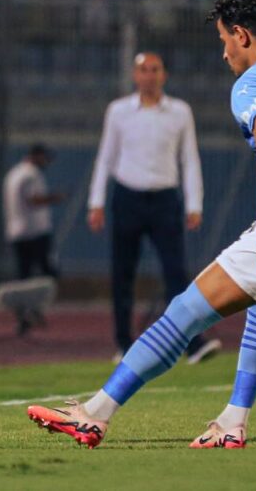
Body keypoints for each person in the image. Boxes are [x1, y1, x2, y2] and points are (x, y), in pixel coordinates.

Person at [28, 0, 256, 449]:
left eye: (224, 40)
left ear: (242, 35)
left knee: (184, 311)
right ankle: (231, 423)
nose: (224, 53)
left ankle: (94, 413)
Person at [87, 51, 220, 365]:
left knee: (176, 274)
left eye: (155, 69)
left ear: (164, 75)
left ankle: (192, 343)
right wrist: (96, 202)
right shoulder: (118, 111)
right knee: (123, 275)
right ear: (135, 76)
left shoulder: (180, 112)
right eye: (143, 70)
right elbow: (106, 157)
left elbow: (189, 158)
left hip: (164, 199)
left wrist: (194, 203)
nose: (149, 75)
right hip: (127, 197)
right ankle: (123, 343)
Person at [3, 143, 64, 280]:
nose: (46, 162)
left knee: (24, 272)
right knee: (48, 270)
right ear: (37, 156)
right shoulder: (31, 174)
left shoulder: (13, 174)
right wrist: (55, 198)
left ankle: (24, 299)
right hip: (35, 232)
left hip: (16, 232)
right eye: (44, 158)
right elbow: (33, 199)